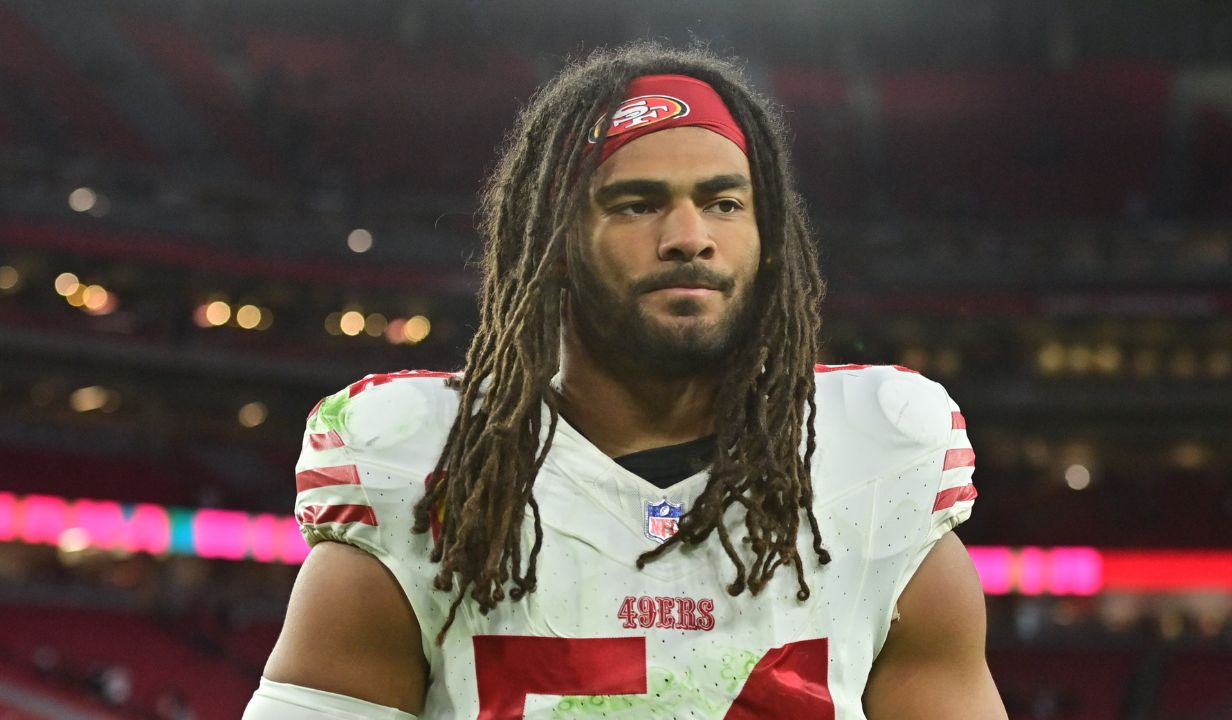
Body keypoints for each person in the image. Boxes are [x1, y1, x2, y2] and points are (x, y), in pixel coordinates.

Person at [245, 42, 1006, 719]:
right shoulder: (425, 473)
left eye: (724, 203)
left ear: (769, 235)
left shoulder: (876, 465)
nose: (689, 238)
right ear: (556, 241)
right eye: (637, 204)